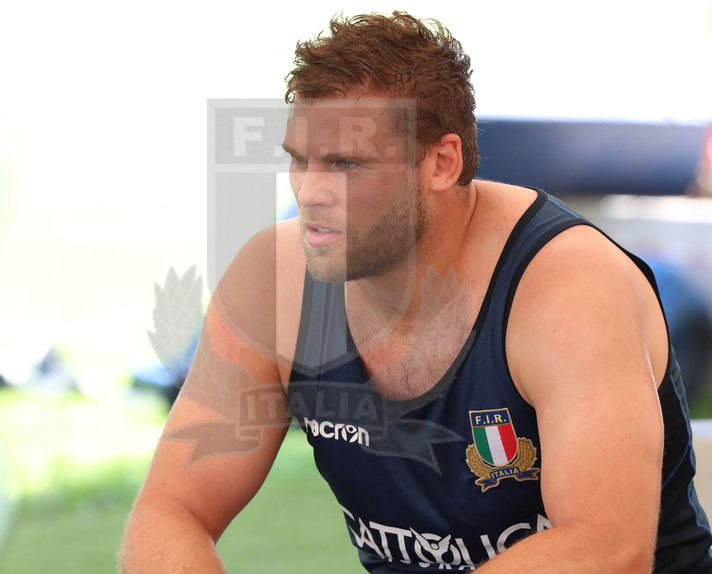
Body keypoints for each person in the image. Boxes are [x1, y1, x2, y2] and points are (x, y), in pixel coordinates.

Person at [120, 11, 712, 573]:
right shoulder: (274, 281)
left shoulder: (568, 286)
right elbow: (172, 510)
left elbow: (607, 551)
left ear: (441, 163)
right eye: (300, 161)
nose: (309, 193)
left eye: (346, 164)